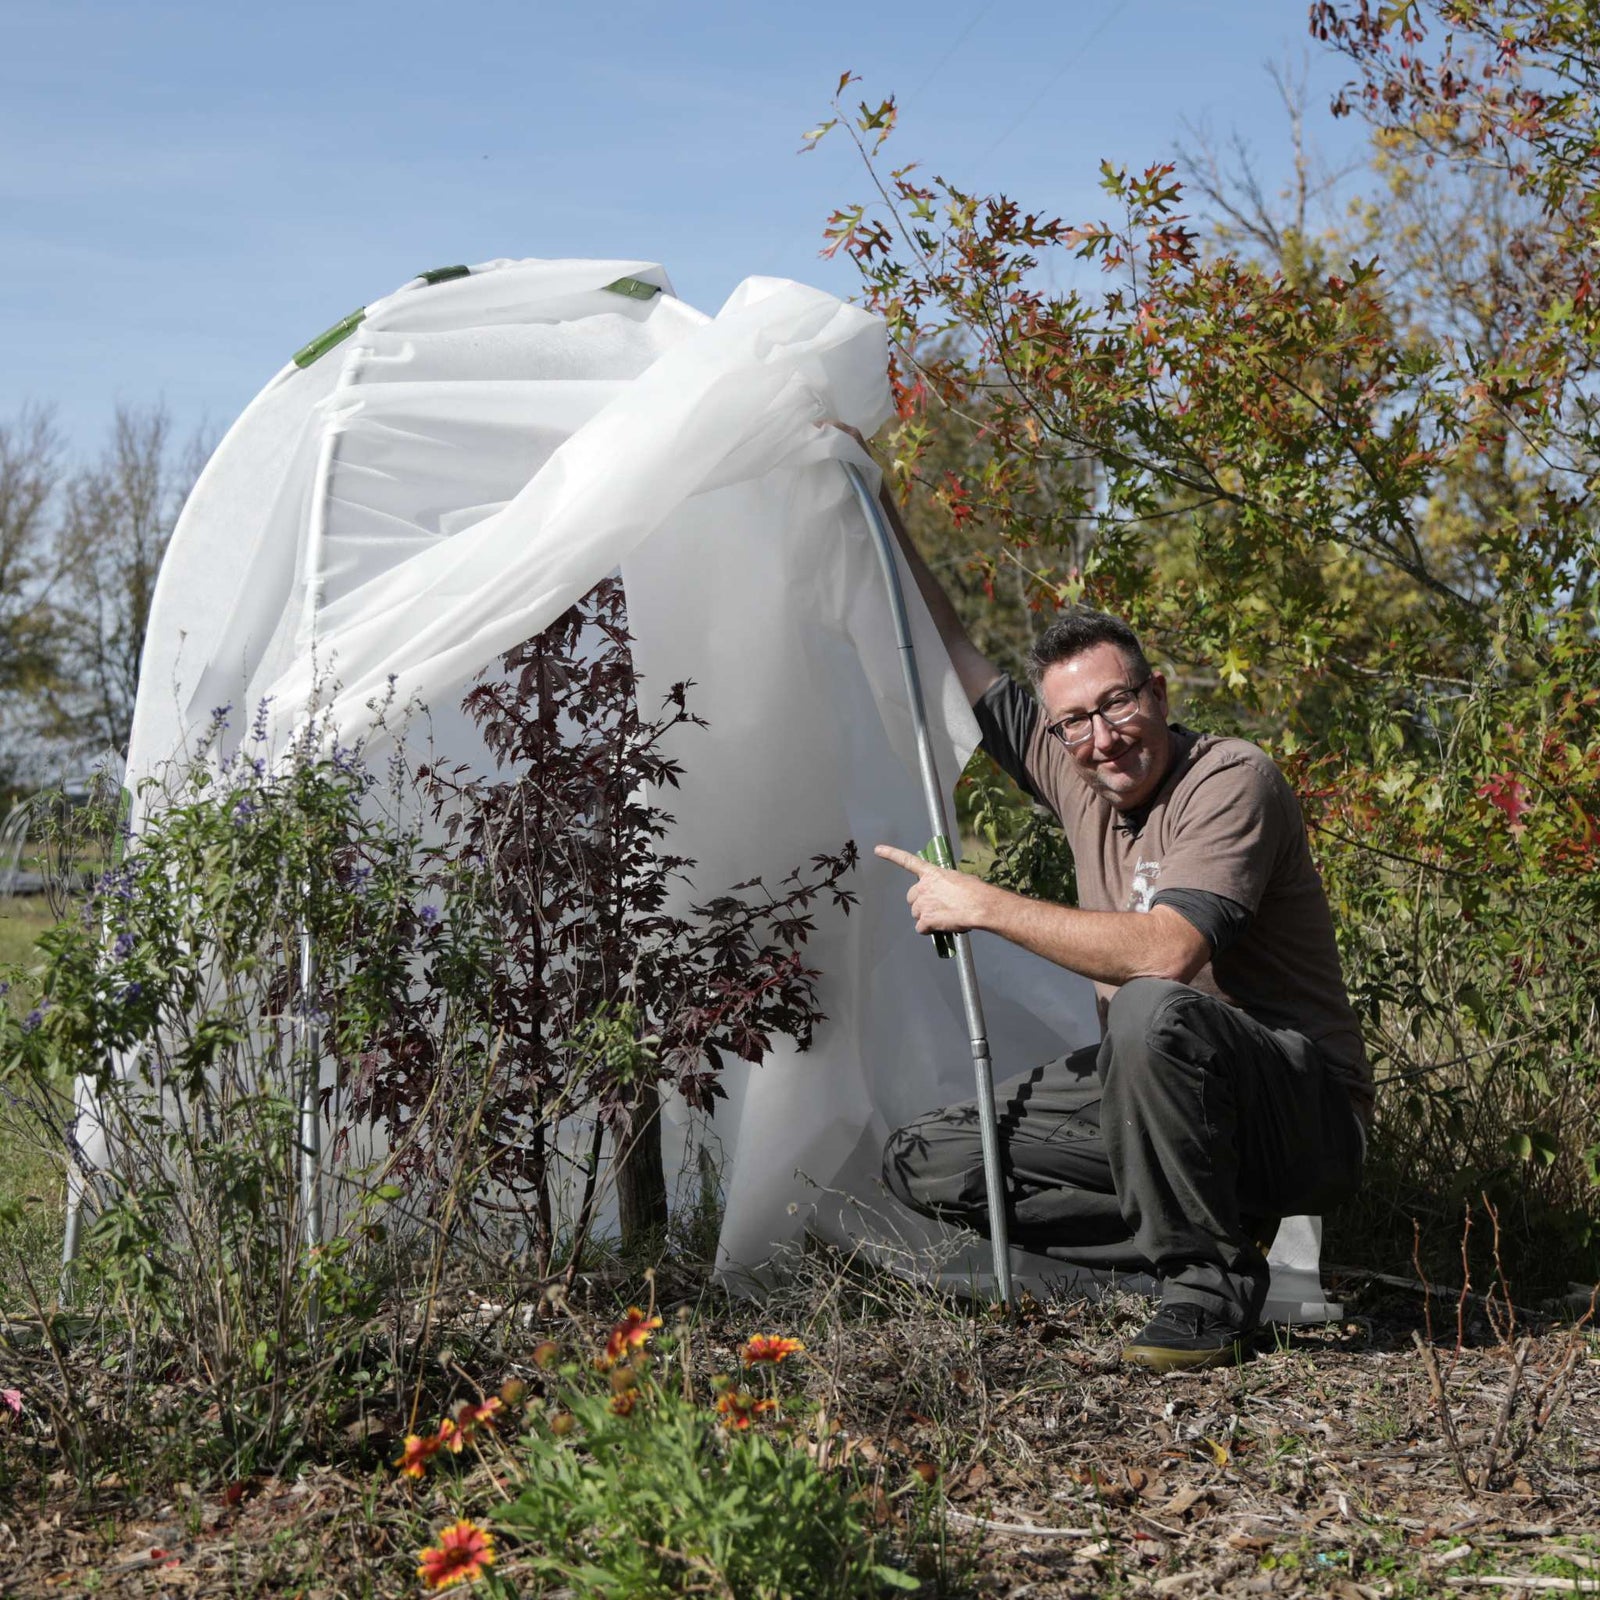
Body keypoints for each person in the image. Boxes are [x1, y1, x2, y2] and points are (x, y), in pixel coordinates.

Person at [870, 483, 1371, 1372]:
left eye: (1118, 703)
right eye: (1075, 722)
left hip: (1301, 1113)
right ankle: (1195, 1240)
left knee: (1146, 1008)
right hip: (1167, 1099)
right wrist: (876, 497)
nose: (1101, 737)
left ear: (1159, 692)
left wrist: (982, 903)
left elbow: (1171, 952)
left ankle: (1208, 1298)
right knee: (931, 1159)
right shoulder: (1075, 773)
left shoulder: (1230, 780)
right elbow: (956, 655)